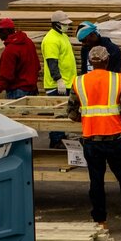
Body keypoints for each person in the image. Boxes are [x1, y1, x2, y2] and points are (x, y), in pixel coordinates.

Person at [67, 46, 121, 234]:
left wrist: (90, 118)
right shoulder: (117, 79)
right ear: (107, 61)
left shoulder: (79, 82)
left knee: (96, 181)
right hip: (115, 138)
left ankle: (100, 222)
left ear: (90, 62)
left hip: (91, 139)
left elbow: (72, 113)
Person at [42, 10, 77, 148]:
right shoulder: (51, 39)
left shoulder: (62, 36)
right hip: (57, 85)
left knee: (64, 111)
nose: (67, 27)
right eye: (64, 24)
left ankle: (61, 136)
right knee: (58, 112)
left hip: (67, 82)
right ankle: (56, 140)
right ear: (56, 24)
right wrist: (58, 80)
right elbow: (52, 62)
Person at [0, 18, 39, 101]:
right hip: (32, 90)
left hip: (17, 93)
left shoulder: (10, 50)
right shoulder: (28, 42)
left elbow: (6, 77)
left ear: (7, 31)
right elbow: (37, 65)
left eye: (0, 31)